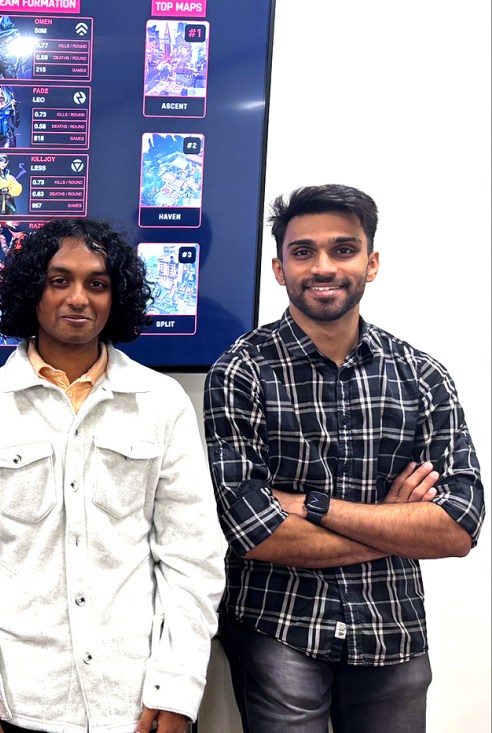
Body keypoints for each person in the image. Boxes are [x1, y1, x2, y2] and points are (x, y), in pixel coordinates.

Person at [204, 184, 484, 733]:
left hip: (392, 629)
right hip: (279, 626)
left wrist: (311, 505)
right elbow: (252, 531)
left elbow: (457, 529)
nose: (323, 266)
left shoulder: (421, 375)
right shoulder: (241, 372)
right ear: (280, 269)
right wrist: (394, 521)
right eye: (303, 251)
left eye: (343, 249)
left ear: (371, 262)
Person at [0, 217, 225, 733]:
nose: (78, 298)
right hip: (25, 694)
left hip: (137, 697)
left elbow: (192, 558)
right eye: (59, 280)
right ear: (33, 291)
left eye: (97, 283)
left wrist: (178, 688)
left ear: (117, 298)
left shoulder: (163, 404)